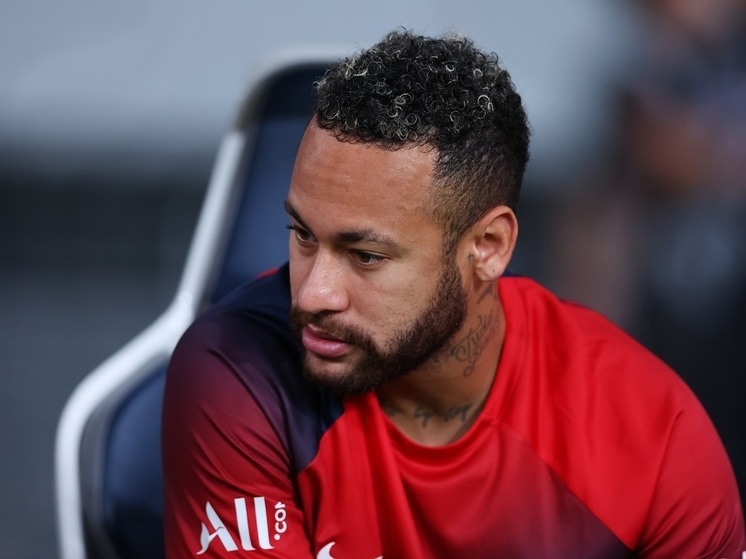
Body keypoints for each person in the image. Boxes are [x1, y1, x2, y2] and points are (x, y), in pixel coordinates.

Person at [162, 30, 745, 558]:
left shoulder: (654, 434)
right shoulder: (238, 366)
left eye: (366, 256)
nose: (313, 294)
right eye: (303, 235)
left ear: (488, 247)